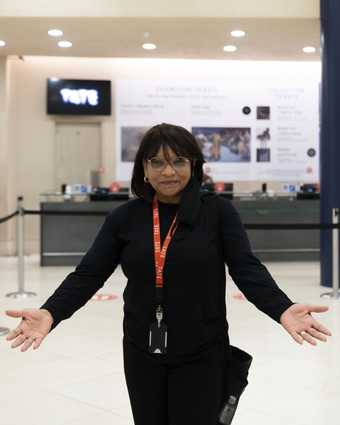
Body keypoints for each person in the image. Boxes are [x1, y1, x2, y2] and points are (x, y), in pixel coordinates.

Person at [5, 123, 331, 425]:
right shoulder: (125, 218)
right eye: (157, 162)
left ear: (194, 166)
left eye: (178, 161)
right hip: (141, 349)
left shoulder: (217, 213)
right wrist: (51, 312)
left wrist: (282, 308)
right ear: (144, 169)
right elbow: (88, 274)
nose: (168, 171)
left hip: (204, 349)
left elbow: (246, 269)